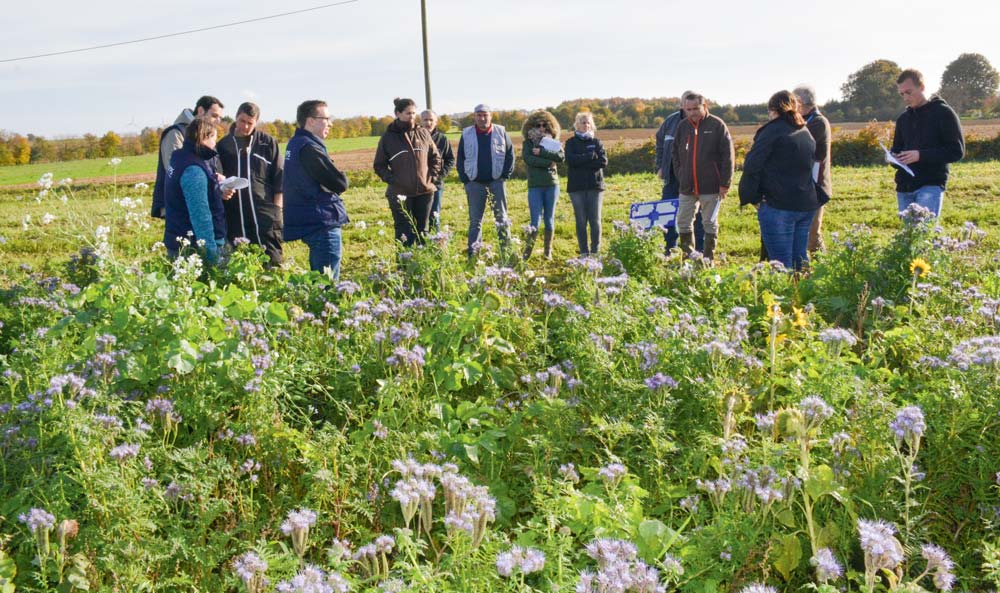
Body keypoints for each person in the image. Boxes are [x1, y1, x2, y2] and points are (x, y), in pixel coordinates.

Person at [739, 91, 825, 272]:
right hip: (805, 203)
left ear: (772, 110)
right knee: (799, 259)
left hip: (779, 205)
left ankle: (784, 298)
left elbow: (752, 165)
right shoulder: (804, 131)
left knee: (780, 264)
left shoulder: (771, 131)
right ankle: (803, 296)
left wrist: (752, 197)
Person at [283, 100, 350, 279]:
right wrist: (339, 177)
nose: (330, 123)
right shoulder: (309, 148)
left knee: (319, 280)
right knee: (326, 284)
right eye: (326, 118)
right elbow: (340, 183)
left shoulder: (296, 143)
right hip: (322, 221)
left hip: (311, 220)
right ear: (311, 121)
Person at [890, 68, 965, 218]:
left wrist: (920, 155)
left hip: (930, 185)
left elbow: (957, 151)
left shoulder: (943, 113)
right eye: (902, 94)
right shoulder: (903, 119)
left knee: (924, 237)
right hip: (904, 188)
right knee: (909, 239)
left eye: (909, 92)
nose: (905, 97)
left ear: (922, 87)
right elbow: (897, 149)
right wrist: (892, 157)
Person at [217, 102, 285, 267]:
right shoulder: (223, 146)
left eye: (250, 123)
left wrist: (277, 210)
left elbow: (279, 178)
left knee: (272, 262)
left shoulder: (267, 143)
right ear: (236, 117)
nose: (245, 126)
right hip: (235, 215)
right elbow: (218, 178)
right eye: (242, 121)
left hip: (264, 214)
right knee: (241, 264)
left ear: (256, 122)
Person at [671, 92, 734, 261]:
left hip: (711, 185)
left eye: (695, 108)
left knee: (709, 223)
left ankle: (708, 260)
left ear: (704, 106)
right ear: (684, 108)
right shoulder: (682, 126)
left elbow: (728, 156)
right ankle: (688, 258)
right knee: (683, 222)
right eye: (688, 109)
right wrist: (681, 174)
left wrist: (725, 184)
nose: (692, 112)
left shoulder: (717, 125)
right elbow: (675, 152)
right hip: (687, 186)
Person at [373, 98, 442, 247]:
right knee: (404, 232)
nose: (412, 117)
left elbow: (435, 157)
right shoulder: (388, 138)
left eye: (413, 113)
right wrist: (394, 180)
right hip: (400, 194)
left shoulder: (423, 133)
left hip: (425, 192)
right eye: (408, 113)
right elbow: (379, 165)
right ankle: (405, 267)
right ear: (398, 113)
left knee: (423, 231)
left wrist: (432, 177)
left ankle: (422, 264)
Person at [163, 116, 227, 264]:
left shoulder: (180, 157)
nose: (214, 144)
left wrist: (213, 181)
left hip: (176, 237)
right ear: (205, 137)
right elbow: (201, 217)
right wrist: (212, 257)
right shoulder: (193, 170)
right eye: (214, 139)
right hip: (191, 248)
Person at [456, 104, 515, 259]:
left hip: (496, 182)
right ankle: (474, 254)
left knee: (501, 218)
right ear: (474, 116)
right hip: (474, 183)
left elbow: (510, 155)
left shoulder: (501, 132)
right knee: (475, 221)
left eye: (485, 115)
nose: (482, 118)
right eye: (479, 115)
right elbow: (460, 158)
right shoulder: (467, 133)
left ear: (491, 116)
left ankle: (506, 252)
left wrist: (504, 176)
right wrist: (466, 180)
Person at [152, 96, 224, 218]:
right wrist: (214, 181)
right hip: (180, 207)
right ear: (201, 111)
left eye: (220, 118)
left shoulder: (208, 136)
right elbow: (177, 171)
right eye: (214, 115)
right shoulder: (176, 134)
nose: (218, 121)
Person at [654, 93, 704, 252]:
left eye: (693, 107)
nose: (689, 110)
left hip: (696, 177)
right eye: (686, 106)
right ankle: (670, 248)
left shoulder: (705, 123)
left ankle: (698, 251)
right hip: (672, 177)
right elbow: (660, 143)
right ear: (682, 105)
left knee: (697, 216)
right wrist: (660, 166)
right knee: (668, 213)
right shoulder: (670, 122)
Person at [793, 85, 832, 254]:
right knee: (802, 233)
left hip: (815, 187)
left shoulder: (818, 122)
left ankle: (823, 268)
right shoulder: (802, 120)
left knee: (812, 235)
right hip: (802, 185)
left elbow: (804, 148)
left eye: (793, 102)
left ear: (801, 103)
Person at [521, 110, 564, 260]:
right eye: (538, 125)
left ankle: (548, 252)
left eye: (544, 125)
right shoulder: (527, 143)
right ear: (531, 126)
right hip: (535, 186)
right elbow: (528, 159)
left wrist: (542, 153)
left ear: (549, 126)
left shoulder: (551, 142)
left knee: (549, 219)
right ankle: (527, 253)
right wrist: (548, 162)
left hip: (552, 185)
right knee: (535, 221)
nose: (541, 128)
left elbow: (560, 157)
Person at [564, 112, 608, 256]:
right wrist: (590, 157)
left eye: (588, 122)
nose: (586, 125)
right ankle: (584, 252)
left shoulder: (597, 142)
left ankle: (595, 252)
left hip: (595, 186)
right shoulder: (570, 143)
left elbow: (602, 162)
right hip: (576, 188)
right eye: (583, 122)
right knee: (581, 221)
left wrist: (580, 162)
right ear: (577, 124)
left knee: (595, 220)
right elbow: (570, 161)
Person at [420, 109, 455, 231]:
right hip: (418, 185)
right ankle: (421, 244)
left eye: (431, 120)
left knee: (434, 216)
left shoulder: (442, 139)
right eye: (425, 120)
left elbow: (450, 159)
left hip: (436, 185)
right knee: (419, 217)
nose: (428, 123)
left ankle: (436, 245)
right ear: (420, 121)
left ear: (436, 122)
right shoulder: (415, 137)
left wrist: (440, 176)